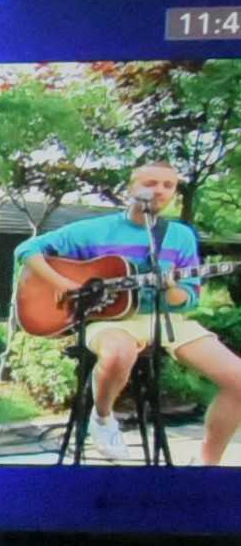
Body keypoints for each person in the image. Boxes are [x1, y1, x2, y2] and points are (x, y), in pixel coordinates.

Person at [19, 162, 238, 468]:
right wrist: (64, 285)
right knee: (119, 352)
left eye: (168, 186)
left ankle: (206, 466)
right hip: (109, 320)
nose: (159, 191)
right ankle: (102, 418)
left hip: (165, 319)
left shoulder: (180, 235)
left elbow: (188, 299)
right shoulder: (94, 230)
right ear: (131, 189)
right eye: (150, 183)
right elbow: (26, 249)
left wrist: (170, 287)